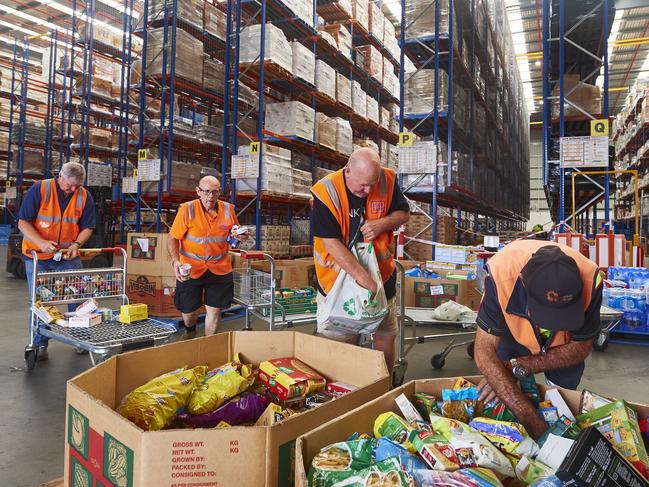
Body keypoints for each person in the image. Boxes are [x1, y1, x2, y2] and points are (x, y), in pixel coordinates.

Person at [474, 239, 603, 440]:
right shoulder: (501, 274)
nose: (553, 323)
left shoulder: (590, 278)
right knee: (506, 394)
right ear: (523, 283)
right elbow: (484, 350)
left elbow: (582, 346)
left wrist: (519, 366)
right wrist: (532, 423)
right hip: (513, 334)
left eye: (562, 313)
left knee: (562, 403)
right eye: (547, 314)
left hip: (565, 347)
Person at [310, 148, 410, 374]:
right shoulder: (326, 192)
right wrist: (365, 280)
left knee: (385, 335)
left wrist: (381, 224)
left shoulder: (386, 180)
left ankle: (382, 385)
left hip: (383, 276)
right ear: (347, 171)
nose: (367, 191)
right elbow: (331, 243)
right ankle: (349, 388)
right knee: (344, 338)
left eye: (372, 184)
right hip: (338, 281)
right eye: (362, 185)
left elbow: (403, 214)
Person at [18, 162, 96, 361]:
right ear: (60, 176)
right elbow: (23, 222)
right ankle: (38, 344)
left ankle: (81, 339)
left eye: (77, 186)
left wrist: (76, 244)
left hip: (68, 256)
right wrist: (41, 243)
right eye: (69, 185)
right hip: (38, 256)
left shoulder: (84, 196)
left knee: (78, 297)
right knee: (40, 303)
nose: (73, 190)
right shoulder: (40, 189)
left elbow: (88, 226)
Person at [167, 176, 247, 337]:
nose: (211, 196)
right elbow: (173, 238)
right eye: (207, 192)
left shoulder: (228, 209)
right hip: (191, 269)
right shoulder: (187, 209)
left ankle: (208, 344)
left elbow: (234, 235)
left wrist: (240, 237)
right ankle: (190, 330)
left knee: (215, 310)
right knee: (189, 311)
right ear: (198, 192)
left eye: (215, 192)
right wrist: (175, 261)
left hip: (220, 267)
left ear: (219, 193)